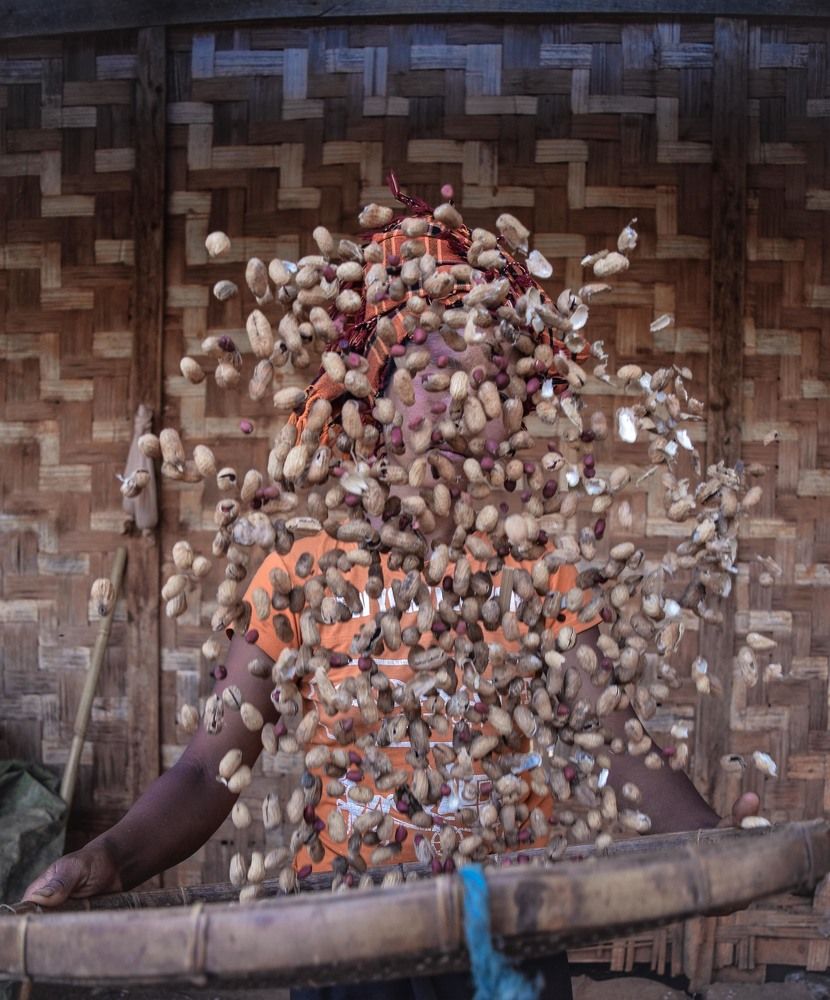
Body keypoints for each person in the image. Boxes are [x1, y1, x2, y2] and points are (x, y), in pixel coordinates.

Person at [24, 192, 759, 999]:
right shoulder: (301, 573)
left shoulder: (547, 576)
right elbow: (208, 771)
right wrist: (112, 858)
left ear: (512, 411)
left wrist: (730, 851)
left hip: (503, 941)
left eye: (480, 378)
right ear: (376, 398)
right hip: (342, 936)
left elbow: (624, 753)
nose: (449, 398)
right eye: (426, 372)